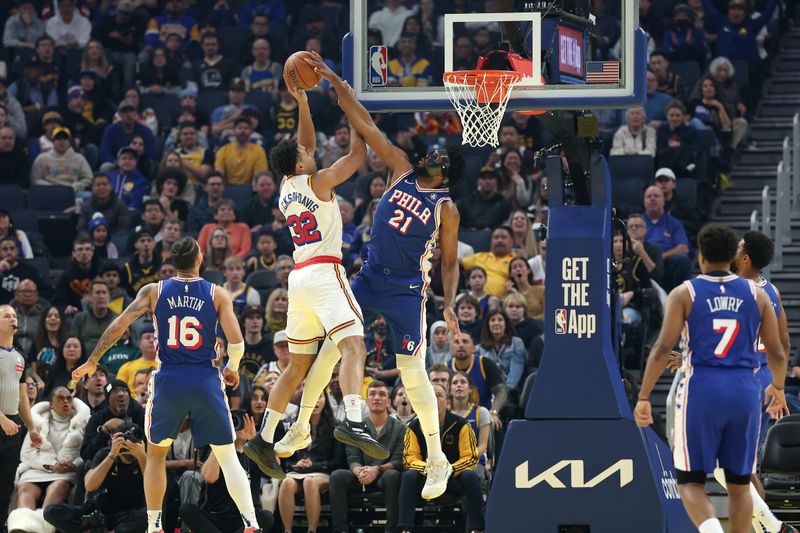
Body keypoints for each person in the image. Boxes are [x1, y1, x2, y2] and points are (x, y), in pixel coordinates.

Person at [272, 55, 465, 500]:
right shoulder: (400, 166)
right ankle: (301, 425)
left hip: (408, 291)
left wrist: (450, 302)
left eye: (436, 155)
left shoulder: (446, 207)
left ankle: (437, 461)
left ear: (446, 170)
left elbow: (450, 263)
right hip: (370, 275)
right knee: (332, 349)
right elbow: (366, 126)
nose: (427, 154)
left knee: (413, 373)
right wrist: (336, 84)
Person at [243, 75, 388, 480]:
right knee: (354, 344)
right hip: (325, 272)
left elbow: (301, 144)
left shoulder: (288, 186)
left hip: (298, 279)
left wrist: (303, 104)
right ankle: (354, 419)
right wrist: (354, 114)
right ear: (303, 164)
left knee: (294, 369)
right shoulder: (319, 181)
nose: (313, 153)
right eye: (309, 154)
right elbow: (357, 159)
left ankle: (264, 438)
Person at [72, 235, 263, 533]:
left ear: (173, 262)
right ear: (199, 258)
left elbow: (119, 324)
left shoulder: (153, 291)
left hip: (169, 378)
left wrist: (94, 359)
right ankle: (251, 523)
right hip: (204, 377)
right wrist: (232, 368)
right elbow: (236, 343)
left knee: (157, 455)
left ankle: (154, 525)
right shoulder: (218, 293)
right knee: (226, 454)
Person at [634, 224, 789, 533]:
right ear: (733, 255)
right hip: (747, 387)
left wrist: (643, 396)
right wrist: (780, 387)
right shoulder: (758, 294)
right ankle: (770, 527)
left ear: (701, 256)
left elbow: (662, 347)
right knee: (739, 483)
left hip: (703, 387)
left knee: (690, 482)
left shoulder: (685, 292)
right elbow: (779, 351)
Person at [722, 231, 797, 533]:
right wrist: (777, 386)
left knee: (739, 470)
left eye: (738, 246)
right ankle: (768, 528)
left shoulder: (736, 291)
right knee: (745, 468)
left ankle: (774, 528)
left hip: (744, 378)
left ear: (745, 258)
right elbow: (785, 343)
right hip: (764, 378)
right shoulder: (773, 291)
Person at [397, 383, 482, 533]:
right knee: (408, 476)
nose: (434, 400)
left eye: (439, 396)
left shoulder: (462, 425)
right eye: (430, 396)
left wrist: (448, 471)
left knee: (470, 476)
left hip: (453, 478)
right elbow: (409, 459)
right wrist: (430, 470)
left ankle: (477, 529)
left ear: (447, 402)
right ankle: (405, 529)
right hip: (426, 480)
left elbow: (470, 458)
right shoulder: (414, 427)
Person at [8, 386, 90, 532]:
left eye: (68, 398)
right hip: (37, 469)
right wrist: (52, 465)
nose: (65, 401)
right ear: (51, 404)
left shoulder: (82, 424)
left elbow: (84, 453)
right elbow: (26, 454)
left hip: (65, 471)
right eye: (60, 398)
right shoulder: (36, 423)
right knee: (26, 489)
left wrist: (72, 465)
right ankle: (22, 526)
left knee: (58, 486)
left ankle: (43, 528)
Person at [328, 380, 405, 533]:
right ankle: (340, 530)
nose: (377, 398)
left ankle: (391, 530)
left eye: (382, 394)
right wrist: (359, 472)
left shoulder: (400, 428)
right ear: (366, 400)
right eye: (372, 394)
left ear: (389, 402)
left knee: (393, 475)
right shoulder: (355, 427)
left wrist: (376, 469)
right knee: (337, 476)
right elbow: (352, 457)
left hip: (384, 475)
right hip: (361, 475)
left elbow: (398, 460)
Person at [44, 421, 148, 533]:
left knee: (147, 515)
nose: (129, 443)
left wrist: (142, 457)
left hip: (128, 515)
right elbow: (90, 486)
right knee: (51, 511)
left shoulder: (146, 458)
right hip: (99, 512)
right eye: (125, 439)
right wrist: (112, 455)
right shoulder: (106, 454)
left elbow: (155, 491)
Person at [179, 413, 274, 533]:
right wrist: (220, 440)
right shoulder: (218, 451)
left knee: (266, 517)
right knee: (187, 509)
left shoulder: (253, 453)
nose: (236, 426)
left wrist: (256, 441)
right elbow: (209, 477)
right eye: (232, 422)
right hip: (216, 517)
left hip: (246, 520)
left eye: (240, 422)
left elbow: (274, 467)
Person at [0, 305, 42, 528]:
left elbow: (22, 396)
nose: (12, 319)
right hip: (3, 420)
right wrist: (1, 418)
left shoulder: (19, 356)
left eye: (15, 316)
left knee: (6, 484)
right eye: (6, 316)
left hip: (12, 425)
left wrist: (31, 427)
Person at [276, 392, 343, 533]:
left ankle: (312, 530)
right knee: (287, 482)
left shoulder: (336, 425)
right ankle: (287, 530)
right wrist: (294, 464)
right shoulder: (293, 426)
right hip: (298, 471)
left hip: (323, 472)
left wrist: (314, 465)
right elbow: (285, 459)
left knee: (309, 482)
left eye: (320, 396)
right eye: (312, 397)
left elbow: (338, 461)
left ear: (326, 400)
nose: (316, 401)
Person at [643, 186, 691, 290]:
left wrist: (660, 257)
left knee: (682, 259)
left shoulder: (674, 223)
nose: (652, 198)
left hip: (667, 262)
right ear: (644, 201)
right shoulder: (637, 223)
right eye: (649, 196)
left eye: (656, 196)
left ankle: (679, 295)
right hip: (642, 261)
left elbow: (683, 248)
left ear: (663, 201)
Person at [462, 227, 517, 298]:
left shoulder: (516, 260)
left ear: (512, 241)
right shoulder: (479, 257)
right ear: (491, 241)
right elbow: (455, 263)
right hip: (475, 302)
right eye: (496, 237)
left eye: (504, 237)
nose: (499, 240)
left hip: (503, 303)